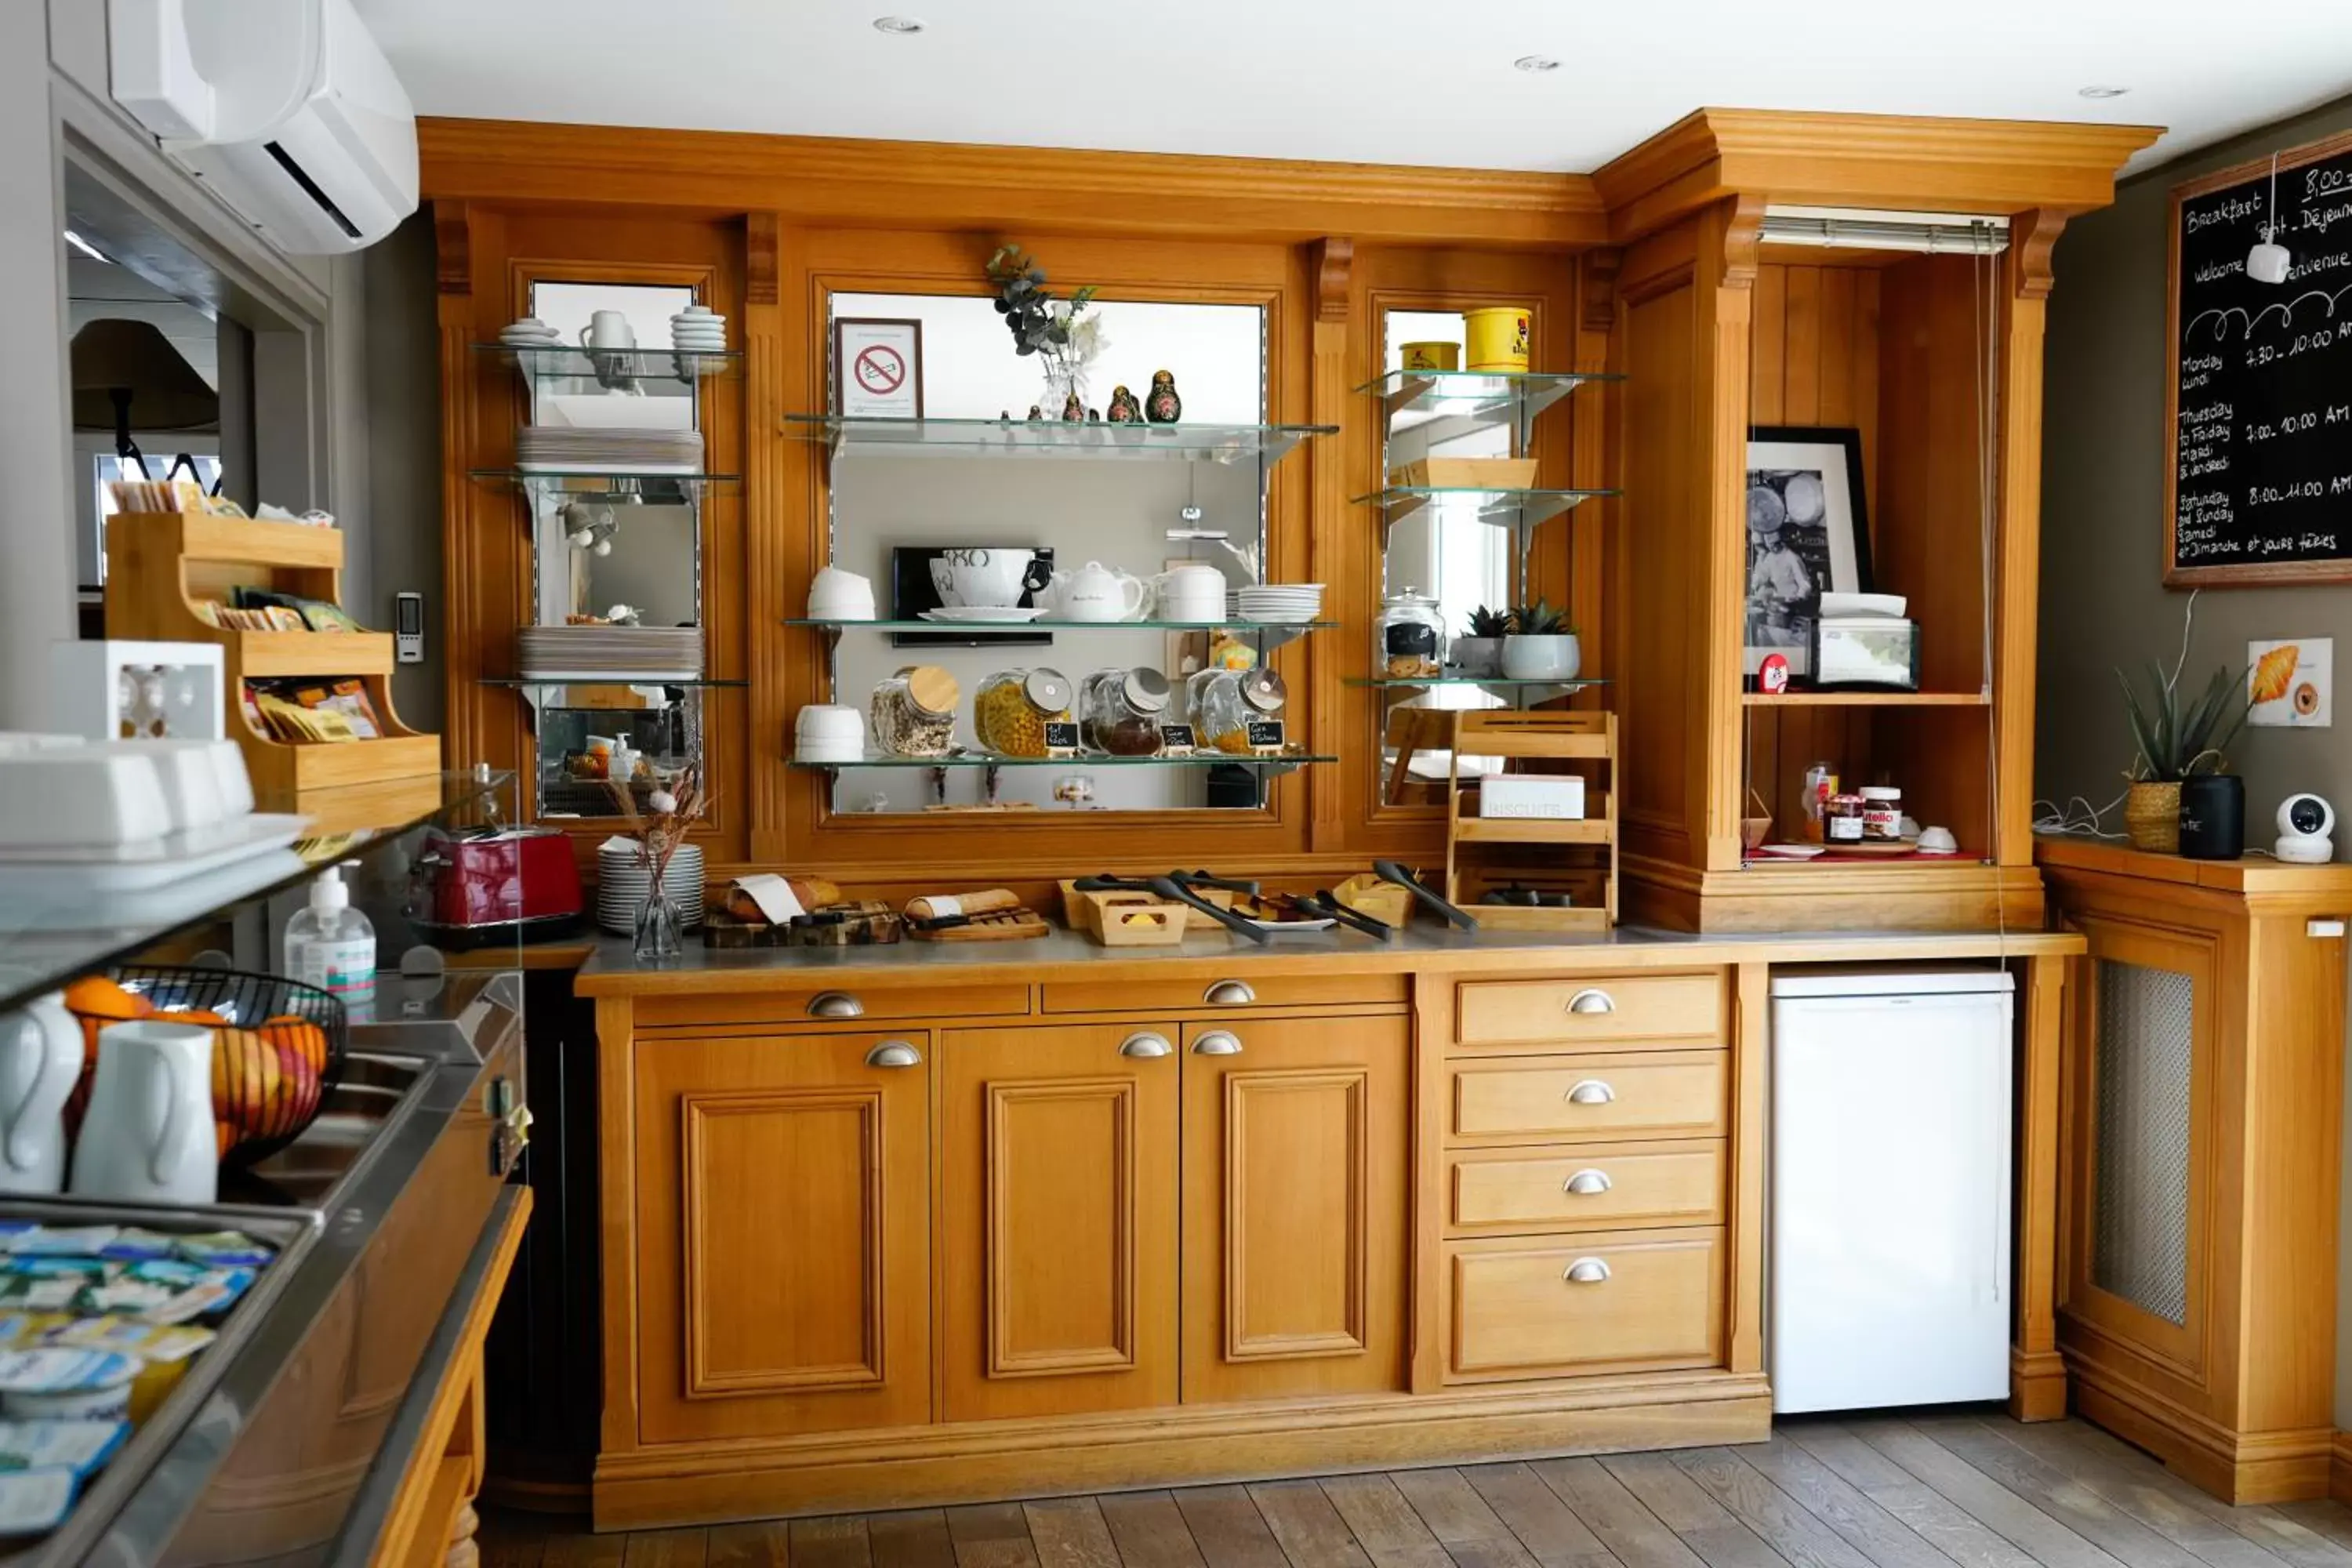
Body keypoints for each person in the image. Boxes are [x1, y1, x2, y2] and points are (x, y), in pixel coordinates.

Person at [1747, 478, 1814, 648]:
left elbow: (1805, 584)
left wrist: (1798, 597)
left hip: (1791, 606)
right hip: (1777, 605)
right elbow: (1762, 575)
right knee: (1767, 635)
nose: (1772, 547)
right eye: (1769, 545)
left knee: (1784, 639)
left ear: (1780, 541)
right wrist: (1755, 585)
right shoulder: (1770, 558)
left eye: (1774, 545)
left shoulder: (1792, 557)